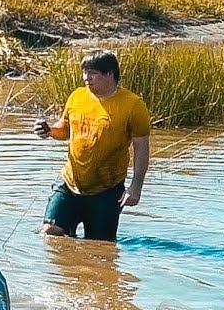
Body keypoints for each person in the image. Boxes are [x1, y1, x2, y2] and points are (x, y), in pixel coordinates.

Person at [33, 50, 151, 242]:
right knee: (50, 232)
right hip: (69, 183)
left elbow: (142, 148)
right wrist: (49, 131)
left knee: (101, 249)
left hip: (106, 190)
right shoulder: (77, 96)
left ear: (110, 74)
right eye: (85, 72)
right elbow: (64, 130)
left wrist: (135, 187)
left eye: (93, 73)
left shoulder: (133, 105)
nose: (86, 78)